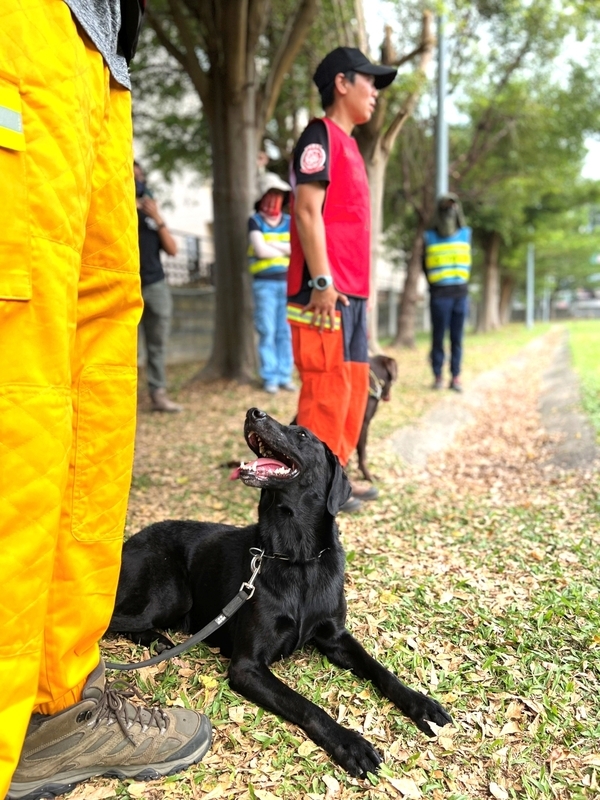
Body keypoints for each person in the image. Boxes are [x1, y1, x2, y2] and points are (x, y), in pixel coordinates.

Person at [1, 5, 211, 800]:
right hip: (24, 33)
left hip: (97, 61)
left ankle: (53, 705)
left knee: (90, 403)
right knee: (17, 399)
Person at [287, 47, 397, 513]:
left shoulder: (350, 145)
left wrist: (362, 295)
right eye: (369, 81)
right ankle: (308, 492)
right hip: (323, 295)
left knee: (351, 392)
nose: (375, 92)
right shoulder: (320, 137)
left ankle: (335, 481)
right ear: (342, 83)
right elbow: (307, 211)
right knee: (326, 393)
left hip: (350, 296)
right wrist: (322, 282)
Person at [135, 161, 183, 412]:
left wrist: (157, 218)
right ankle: (121, 398)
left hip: (156, 286)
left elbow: (173, 250)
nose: (138, 181)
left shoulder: (152, 217)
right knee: (124, 347)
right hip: (128, 286)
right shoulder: (116, 213)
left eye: (140, 176)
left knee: (157, 345)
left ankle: (158, 395)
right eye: (133, 177)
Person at [248, 172, 295, 394]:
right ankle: (270, 377)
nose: (275, 197)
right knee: (267, 330)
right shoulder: (255, 220)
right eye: (271, 192)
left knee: (284, 331)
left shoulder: (288, 221)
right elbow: (260, 250)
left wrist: (271, 247)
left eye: (279, 193)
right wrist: (284, 249)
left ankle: (285, 375)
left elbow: (296, 248)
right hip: (264, 284)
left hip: (287, 283)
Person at [423, 193, 472, 392]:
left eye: (452, 209)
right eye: (444, 209)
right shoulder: (429, 236)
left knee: (457, 338)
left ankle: (456, 376)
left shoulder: (466, 233)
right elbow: (423, 265)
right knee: (438, 338)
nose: (448, 214)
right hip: (439, 294)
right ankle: (437, 376)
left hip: (460, 293)